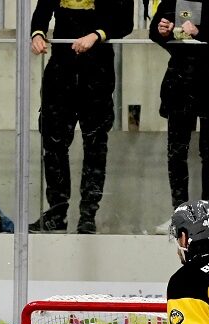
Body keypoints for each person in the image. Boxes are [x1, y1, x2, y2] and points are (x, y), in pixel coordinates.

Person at [28, 0, 133, 234]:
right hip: (61, 69)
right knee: (53, 143)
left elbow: (126, 23)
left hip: (97, 71)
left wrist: (97, 35)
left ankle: (88, 215)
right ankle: (56, 213)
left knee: (95, 146)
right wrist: (37, 34)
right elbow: (42, 11)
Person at [149, 0, 209, 218]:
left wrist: (201, 32)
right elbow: (156, 30)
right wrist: (163, 31)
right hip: (180, 78)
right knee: (177, 151)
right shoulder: (171, 0)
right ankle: (180, 214)